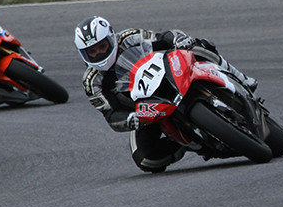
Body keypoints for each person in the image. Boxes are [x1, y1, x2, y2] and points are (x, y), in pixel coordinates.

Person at [74, 15, 258, 172]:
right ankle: (185, 143)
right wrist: (133, 118)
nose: (99, 53)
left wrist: (178, 40)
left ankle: (240, 78)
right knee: (146, 160)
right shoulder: (92, 81)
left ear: (111, 38)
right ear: (84, 54)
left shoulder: (129, 37)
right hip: (147, 110)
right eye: (92, 51)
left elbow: (163, 37)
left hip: (167, 74)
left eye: (102, 46)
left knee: (198, 45)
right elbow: (111, 115)